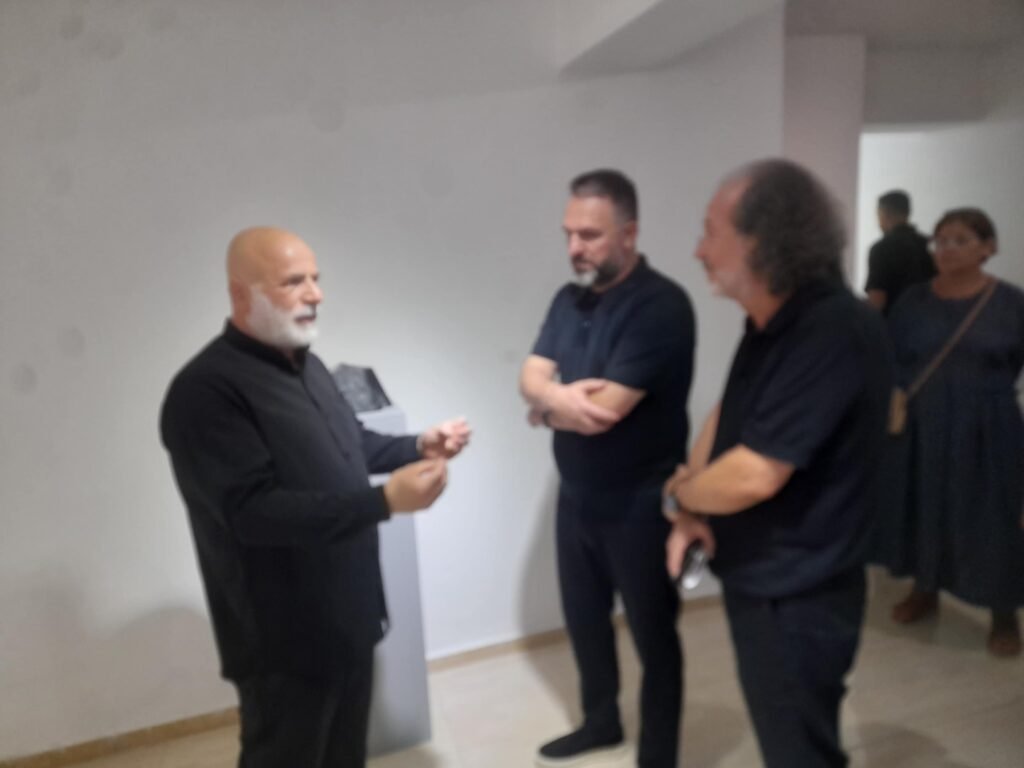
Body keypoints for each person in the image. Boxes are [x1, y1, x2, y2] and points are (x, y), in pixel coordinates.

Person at [160, 227, 470, 768]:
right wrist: (384, 503)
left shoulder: (308, 365)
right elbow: (252, 512)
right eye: (293, 282)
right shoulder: (205, 392)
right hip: (283, 642)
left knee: (345, 756)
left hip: (349, 617)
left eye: (316, 279)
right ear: (241, 294)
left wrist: (418, 444)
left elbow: (351, 446)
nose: (315, 294)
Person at [664, 159, 892, 768]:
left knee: (799, 752)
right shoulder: (770, 323)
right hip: (765, 580)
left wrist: (683, 497)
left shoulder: (831, 329)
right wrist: (693, 505)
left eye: (711, 232)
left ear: (762, 241)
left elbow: (755, 473)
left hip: (800, 596)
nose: (699, 250)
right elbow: (728, 416)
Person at [520, 170, 695, 768]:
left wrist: (544, 409)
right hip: (577, 497)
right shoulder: (568, 300)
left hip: (641, 503)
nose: (575, 247)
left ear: (629, 232)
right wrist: (554, 398)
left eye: (590, 235)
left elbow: (605, 413)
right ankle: (601, 723)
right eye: (569, 233)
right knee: (585, 622)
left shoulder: (661, 305)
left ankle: (658, 757)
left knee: (654, 635)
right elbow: (530, 375)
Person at [874, 208, 1024, 657]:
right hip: (923, 424)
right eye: (940, 241)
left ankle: (1003, 612)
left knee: (992, 518)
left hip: (989, 428)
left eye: (960, 240)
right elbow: (892, 357)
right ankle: (925, 588)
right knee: (924, 507)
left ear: (988, 248)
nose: (947, 249)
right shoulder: (914, 300)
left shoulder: (1010, 303)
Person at [864, 190, 936, 314]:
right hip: (931, 318)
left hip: (894, 321)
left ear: (883, 214)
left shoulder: (881, 248)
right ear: (908, 212)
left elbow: (877, 299)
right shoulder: (930, 244)